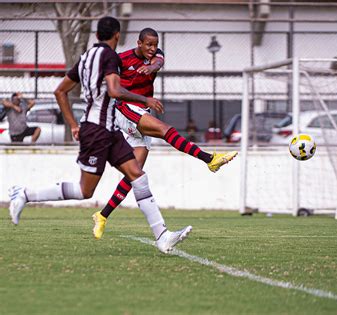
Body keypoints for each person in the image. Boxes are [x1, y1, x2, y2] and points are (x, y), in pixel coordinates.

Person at [8, 16, 191, 254]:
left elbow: (60, 91)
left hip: (108, 129)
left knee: (137, 175)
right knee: (85, 190)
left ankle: (162, 236)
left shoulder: (85, 57)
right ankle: (23, 194)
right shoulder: (110, 57)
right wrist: (144, 99)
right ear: (117, 36)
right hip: (97, 131)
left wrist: (73, 124)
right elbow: (114, 90)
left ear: (96, 36)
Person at [92, 28, 237, 239]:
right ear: (139, 43)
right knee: (165, 130)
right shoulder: (121, 59)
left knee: (135, 173)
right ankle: (209, 159)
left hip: (142, 111)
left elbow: (159, 62)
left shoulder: (157, 55)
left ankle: (102, 215)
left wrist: (151, 67)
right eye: (148, 44)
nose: (152, 48)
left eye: (154, 44)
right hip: (126, 109)